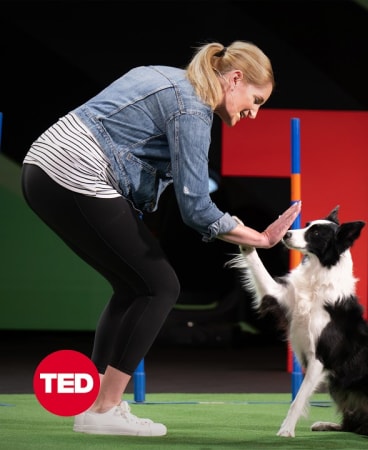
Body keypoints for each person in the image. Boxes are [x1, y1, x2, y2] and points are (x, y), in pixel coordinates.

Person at [20, 40, 300, 436]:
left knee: (132, 286)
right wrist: (259, 238)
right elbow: (196, 208)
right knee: (160, 286)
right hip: (73, 172)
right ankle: (105, 410)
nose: (254, 113)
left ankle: (95, 408)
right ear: (235, 79)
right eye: (255, 100)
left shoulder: (165, 75)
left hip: (39, 169)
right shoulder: (193, 108)